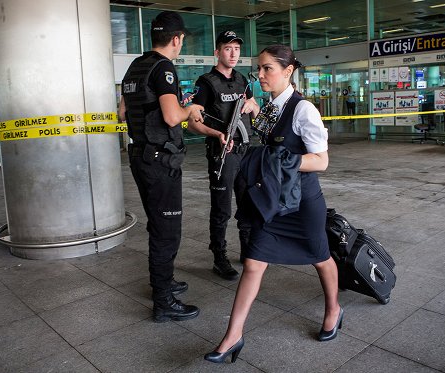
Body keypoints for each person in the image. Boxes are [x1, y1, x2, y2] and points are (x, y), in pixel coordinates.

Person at [204, 45, 342, 363]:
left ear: (287, 71)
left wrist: (280, 160)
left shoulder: (304, 109)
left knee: (320, 258)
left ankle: (334, 308)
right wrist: (252, 114)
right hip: (274, 200)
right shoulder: (269, 107)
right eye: (259, 69)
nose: (261, 75)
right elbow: (267, 139)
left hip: (303, 202)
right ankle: (233, 336)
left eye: (267, 69)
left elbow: (321, 161)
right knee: (253, 262)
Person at [119, 11, 218, 323]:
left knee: (158, 224)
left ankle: (162, 282)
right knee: (168, 230)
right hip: (160, 161)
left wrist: (173, 104)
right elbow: (173, 118)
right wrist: (190, 108)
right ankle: (163, 301)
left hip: (140, 156)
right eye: (181, 39)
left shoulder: (136, 66)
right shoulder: (164, 67)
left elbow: (123, 112)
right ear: (177, 39)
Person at [188, 30, 260, 281]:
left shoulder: (242, 80)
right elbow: (192, 122)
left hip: (245, 151)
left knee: (247, 205)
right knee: (221, 209)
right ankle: (219, 256)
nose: (233, 53)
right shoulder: (206, 83)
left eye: (237, 49)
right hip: (222, 153)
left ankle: (248, 251)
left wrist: (252, 106)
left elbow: (255, 110)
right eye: (228, 48)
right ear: (217, 52)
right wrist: (215, 133)